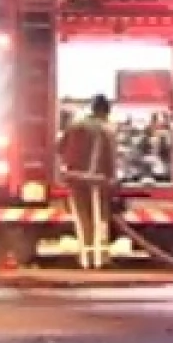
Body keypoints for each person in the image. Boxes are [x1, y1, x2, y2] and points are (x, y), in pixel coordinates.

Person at [58, 94, 118, 270]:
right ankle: (101, 260)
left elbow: (60, 149)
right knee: (100, 218)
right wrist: (113, 178)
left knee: (82, 219)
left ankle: (86, 260)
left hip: (75, 178)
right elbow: (111, 157)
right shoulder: (106, 130)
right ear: (105, 111)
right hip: (97, 179)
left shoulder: (74, 126)